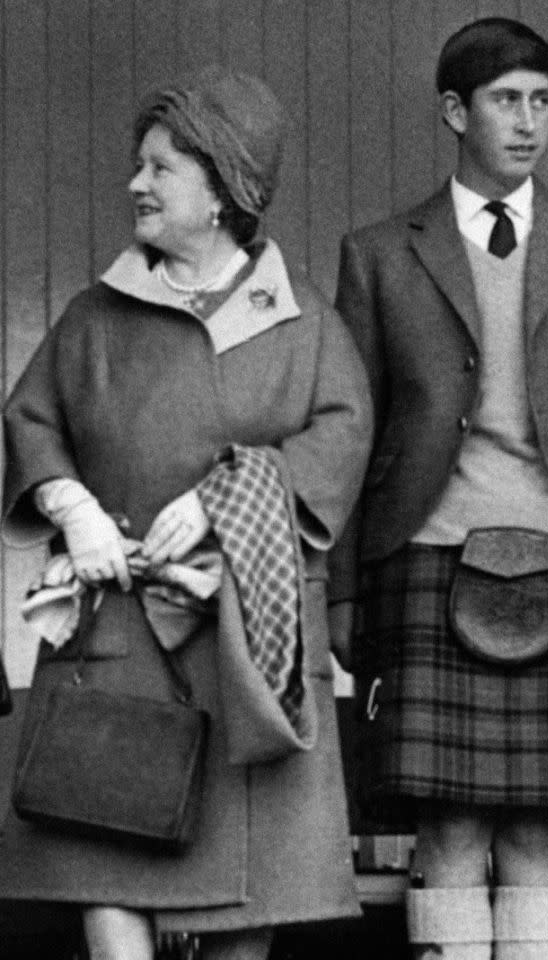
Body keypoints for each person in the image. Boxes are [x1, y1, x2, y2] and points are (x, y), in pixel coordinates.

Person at [0, 66, 372, 960]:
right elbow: (31, 418)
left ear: (223, 191)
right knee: (106, 860)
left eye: (161, 167)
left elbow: (343, 436)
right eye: (140, 164)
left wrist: (227, 503)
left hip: (248, 644)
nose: (136, 183)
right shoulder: (96, 314)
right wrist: (72, 504)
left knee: (252, 896)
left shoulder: (305, 325)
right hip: (120, 637)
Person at [330, 17, 548, 960]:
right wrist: (344, 590)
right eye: (507, 101)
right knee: (451, 828)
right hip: (425, 555)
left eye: (543, 101)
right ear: (453, 111)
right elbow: (352, 437)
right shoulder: (380, 252)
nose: (529, 122)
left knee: (538, 827)